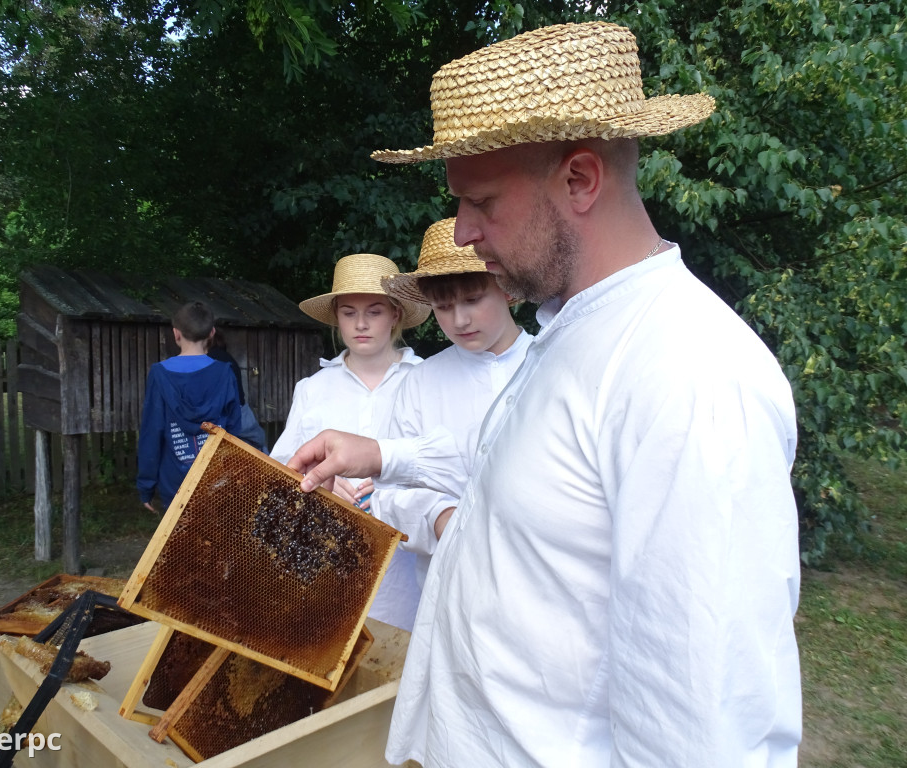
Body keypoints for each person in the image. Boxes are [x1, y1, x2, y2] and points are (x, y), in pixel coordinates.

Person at [288, 22, 802, 767]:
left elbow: (708, 722)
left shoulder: (689, 375)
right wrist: (382, 454)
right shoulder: (574, 328)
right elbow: (530, 481)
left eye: (481, 201)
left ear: (580, 180)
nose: (461, 232)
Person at [269, 253, 430, 632]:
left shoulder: (428, 380)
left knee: (400, 665)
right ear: (336, 317)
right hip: (324, 564)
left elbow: (447, 464)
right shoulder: (312, 389)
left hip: (405, 568)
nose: (360, 324)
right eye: (348, 312)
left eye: (374, 312)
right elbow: (280, 470)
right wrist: (319, 479)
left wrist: (393, 471)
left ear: (395, 314)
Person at [371, 217, 532, 588]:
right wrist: (440, 517)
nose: (459, 319)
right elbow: (389, 495)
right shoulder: (421, 383)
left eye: (473, 300)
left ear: (506, 288)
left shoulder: (550, 362)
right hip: (449, 583)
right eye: (443, 307)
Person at [137, 301, 243, 512]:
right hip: (216, 480)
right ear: (212, 333)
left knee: (178, 543)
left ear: (176, 334)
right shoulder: (225, 372)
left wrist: (146, 486)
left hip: (174, 484)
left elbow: (152, 432)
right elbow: (234, 431)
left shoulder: (160, 374)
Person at [207, 318, 268, 452]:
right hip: (241, 410)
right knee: (257, 446)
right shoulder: (227, 358)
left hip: (229, 414)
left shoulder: (211, 360)